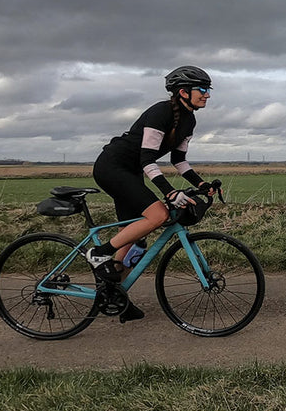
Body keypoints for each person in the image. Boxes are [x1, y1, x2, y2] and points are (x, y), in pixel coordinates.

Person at [86, 65, 217, 321]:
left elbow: (179, 160)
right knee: (157, 215)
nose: (207, 95)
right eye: (202, 90)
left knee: (138, 235)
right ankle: (99, 253)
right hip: (113, 166)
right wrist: (168, 193)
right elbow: (148, 159)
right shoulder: (161, 112)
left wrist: (201, 184)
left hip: (131, 171)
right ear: (183, 91)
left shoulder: (189, 120)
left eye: (208, 90)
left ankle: (114, 294)